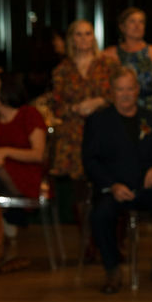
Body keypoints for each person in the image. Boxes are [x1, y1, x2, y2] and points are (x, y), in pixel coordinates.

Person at [82, 67, 152, 295]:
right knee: (100, 215)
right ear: (112, 92)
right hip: (114, 189)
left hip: (148, 188)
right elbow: (90, 161)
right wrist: (112, 185)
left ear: (137, 90)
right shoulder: (97, 121)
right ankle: (112, 270)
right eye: (120, 89)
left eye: (130, 88)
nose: (126, 94)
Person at [0, 73, 47, 269]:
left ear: (8, 90)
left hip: (27, 177)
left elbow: (38, 154)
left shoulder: (29, 114)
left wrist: (5, 151)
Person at [50, 20, 113, 181]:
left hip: (103, 128)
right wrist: (75, 108)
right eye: (79, 34)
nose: (84, 38)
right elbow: (56, 106)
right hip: (73, 133)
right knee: (74, 187)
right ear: (72, 39)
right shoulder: (62, 70)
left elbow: (122, 95)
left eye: (88, 33)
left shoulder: (108, 64)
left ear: (94, 37)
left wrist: (99, 101)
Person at [103, 7, 152, 117]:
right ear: (122, 27)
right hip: (122, 108)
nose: (137, 26)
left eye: (141, 22)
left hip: (151, 108)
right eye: (132, 21)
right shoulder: (110, 54)